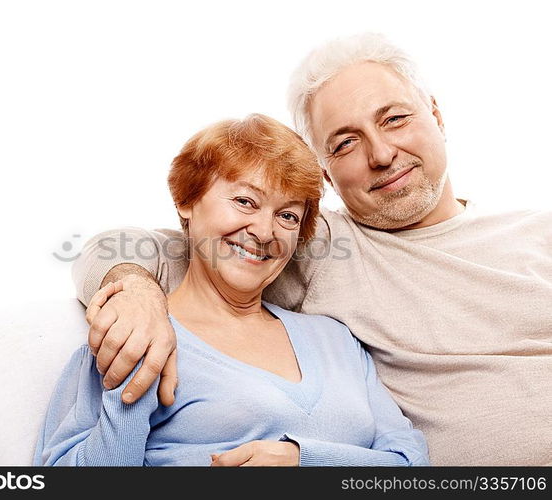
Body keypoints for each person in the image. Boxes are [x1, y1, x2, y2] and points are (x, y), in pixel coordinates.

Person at [71, 34, 552, 466]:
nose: (381, 154)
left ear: (437, 115)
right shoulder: (318, 244)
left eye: (396, 119)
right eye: (345, 143)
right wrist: (134, 287)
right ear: (325, 173)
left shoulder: (538, 232)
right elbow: (138, 245)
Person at [33, 114, 429, 466]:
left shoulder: (335, 340)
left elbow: (411, 464)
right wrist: (134, 389)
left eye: (287, 215)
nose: (263, 231)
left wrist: (302, 461)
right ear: (187, 200)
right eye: (244, 201)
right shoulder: (131, 336)